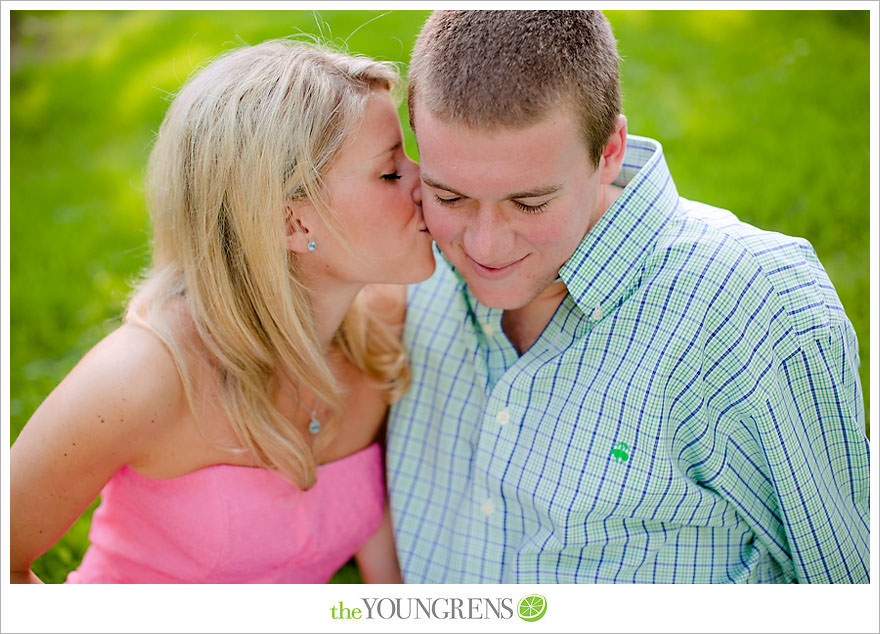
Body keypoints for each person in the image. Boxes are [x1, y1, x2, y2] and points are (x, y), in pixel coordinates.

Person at [386, 10, 869, 583]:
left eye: (531, 204)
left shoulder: (758, 310)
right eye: (450, 196)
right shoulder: (403, 260)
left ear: (610, 150)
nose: (484, 246)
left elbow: (849, 584)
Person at [10, 38, 435, 583]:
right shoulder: (141, 376)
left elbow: (375, 534)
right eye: (391, 172)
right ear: (292, 222)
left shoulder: (380, 330)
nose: (428, 182)